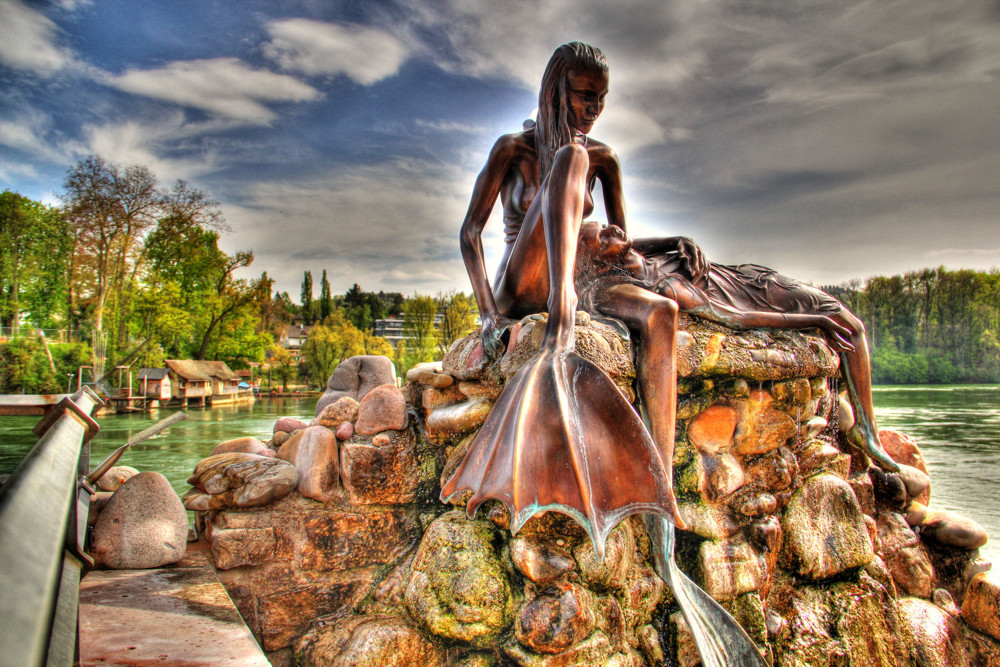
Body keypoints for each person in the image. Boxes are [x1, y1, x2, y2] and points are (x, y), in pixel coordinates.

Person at [443, 42, 691, 554]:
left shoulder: (605, 161)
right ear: (557, 92)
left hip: (580, 276)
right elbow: (470, 233)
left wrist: (667, 245)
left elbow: (618, 246)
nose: (592, 111)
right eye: (583, 98)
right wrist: (489, 315)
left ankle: (660, 492)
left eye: (600, 101)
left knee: (662, 312)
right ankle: (562, 317)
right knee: (570, 157)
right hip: (525, 285)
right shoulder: (513, 148)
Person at [575, 221, 899, 471]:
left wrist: (678, 240)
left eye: (602, 225)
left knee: (855, 327)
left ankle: (866, 427)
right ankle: (866, 433)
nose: (611, 229)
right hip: (758, 298)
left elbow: (642, 241)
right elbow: (739, 319)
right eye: (603, 238)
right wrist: (812, 321)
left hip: (750, 277)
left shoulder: (646, 256)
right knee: (849, 327)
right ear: (604, 263)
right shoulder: (666, 287)